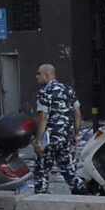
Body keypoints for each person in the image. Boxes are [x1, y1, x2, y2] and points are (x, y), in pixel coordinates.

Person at [31, 63, 83, 194]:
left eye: (39, 73)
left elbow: (43, 117)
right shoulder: (68, 89)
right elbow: (77, 113)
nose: (36, 76)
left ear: (47, 76)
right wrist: (76, 135)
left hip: (50, 139)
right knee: (69, 170)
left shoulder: (44, 92)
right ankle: (83, 193)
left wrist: (38, 141)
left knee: (41, 171)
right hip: (66, 138)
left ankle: (42, 200)